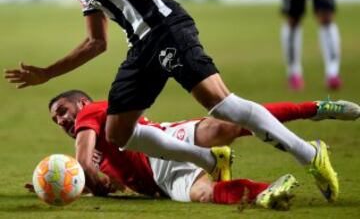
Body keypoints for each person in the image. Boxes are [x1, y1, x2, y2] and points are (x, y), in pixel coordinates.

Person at [5, 0, 338, 202]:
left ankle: (309, 154)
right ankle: (209, 160)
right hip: (141, 45)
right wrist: (47, 73)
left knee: (223, 105)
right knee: (119, 133)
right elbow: (96, 42)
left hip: (164, 26)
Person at [45, 91, 359, 209]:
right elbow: (109, 178)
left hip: (164, 138)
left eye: (62, 110)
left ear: (82, 104)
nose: (61, 119)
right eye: (55, 118)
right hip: (162, 181)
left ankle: (313, 108)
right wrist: (76, 184)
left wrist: (79, 174)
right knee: (204, 194)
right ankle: (268, 190)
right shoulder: (95, 151)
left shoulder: (92, 113)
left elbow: (84, 162)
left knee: (227, 126)